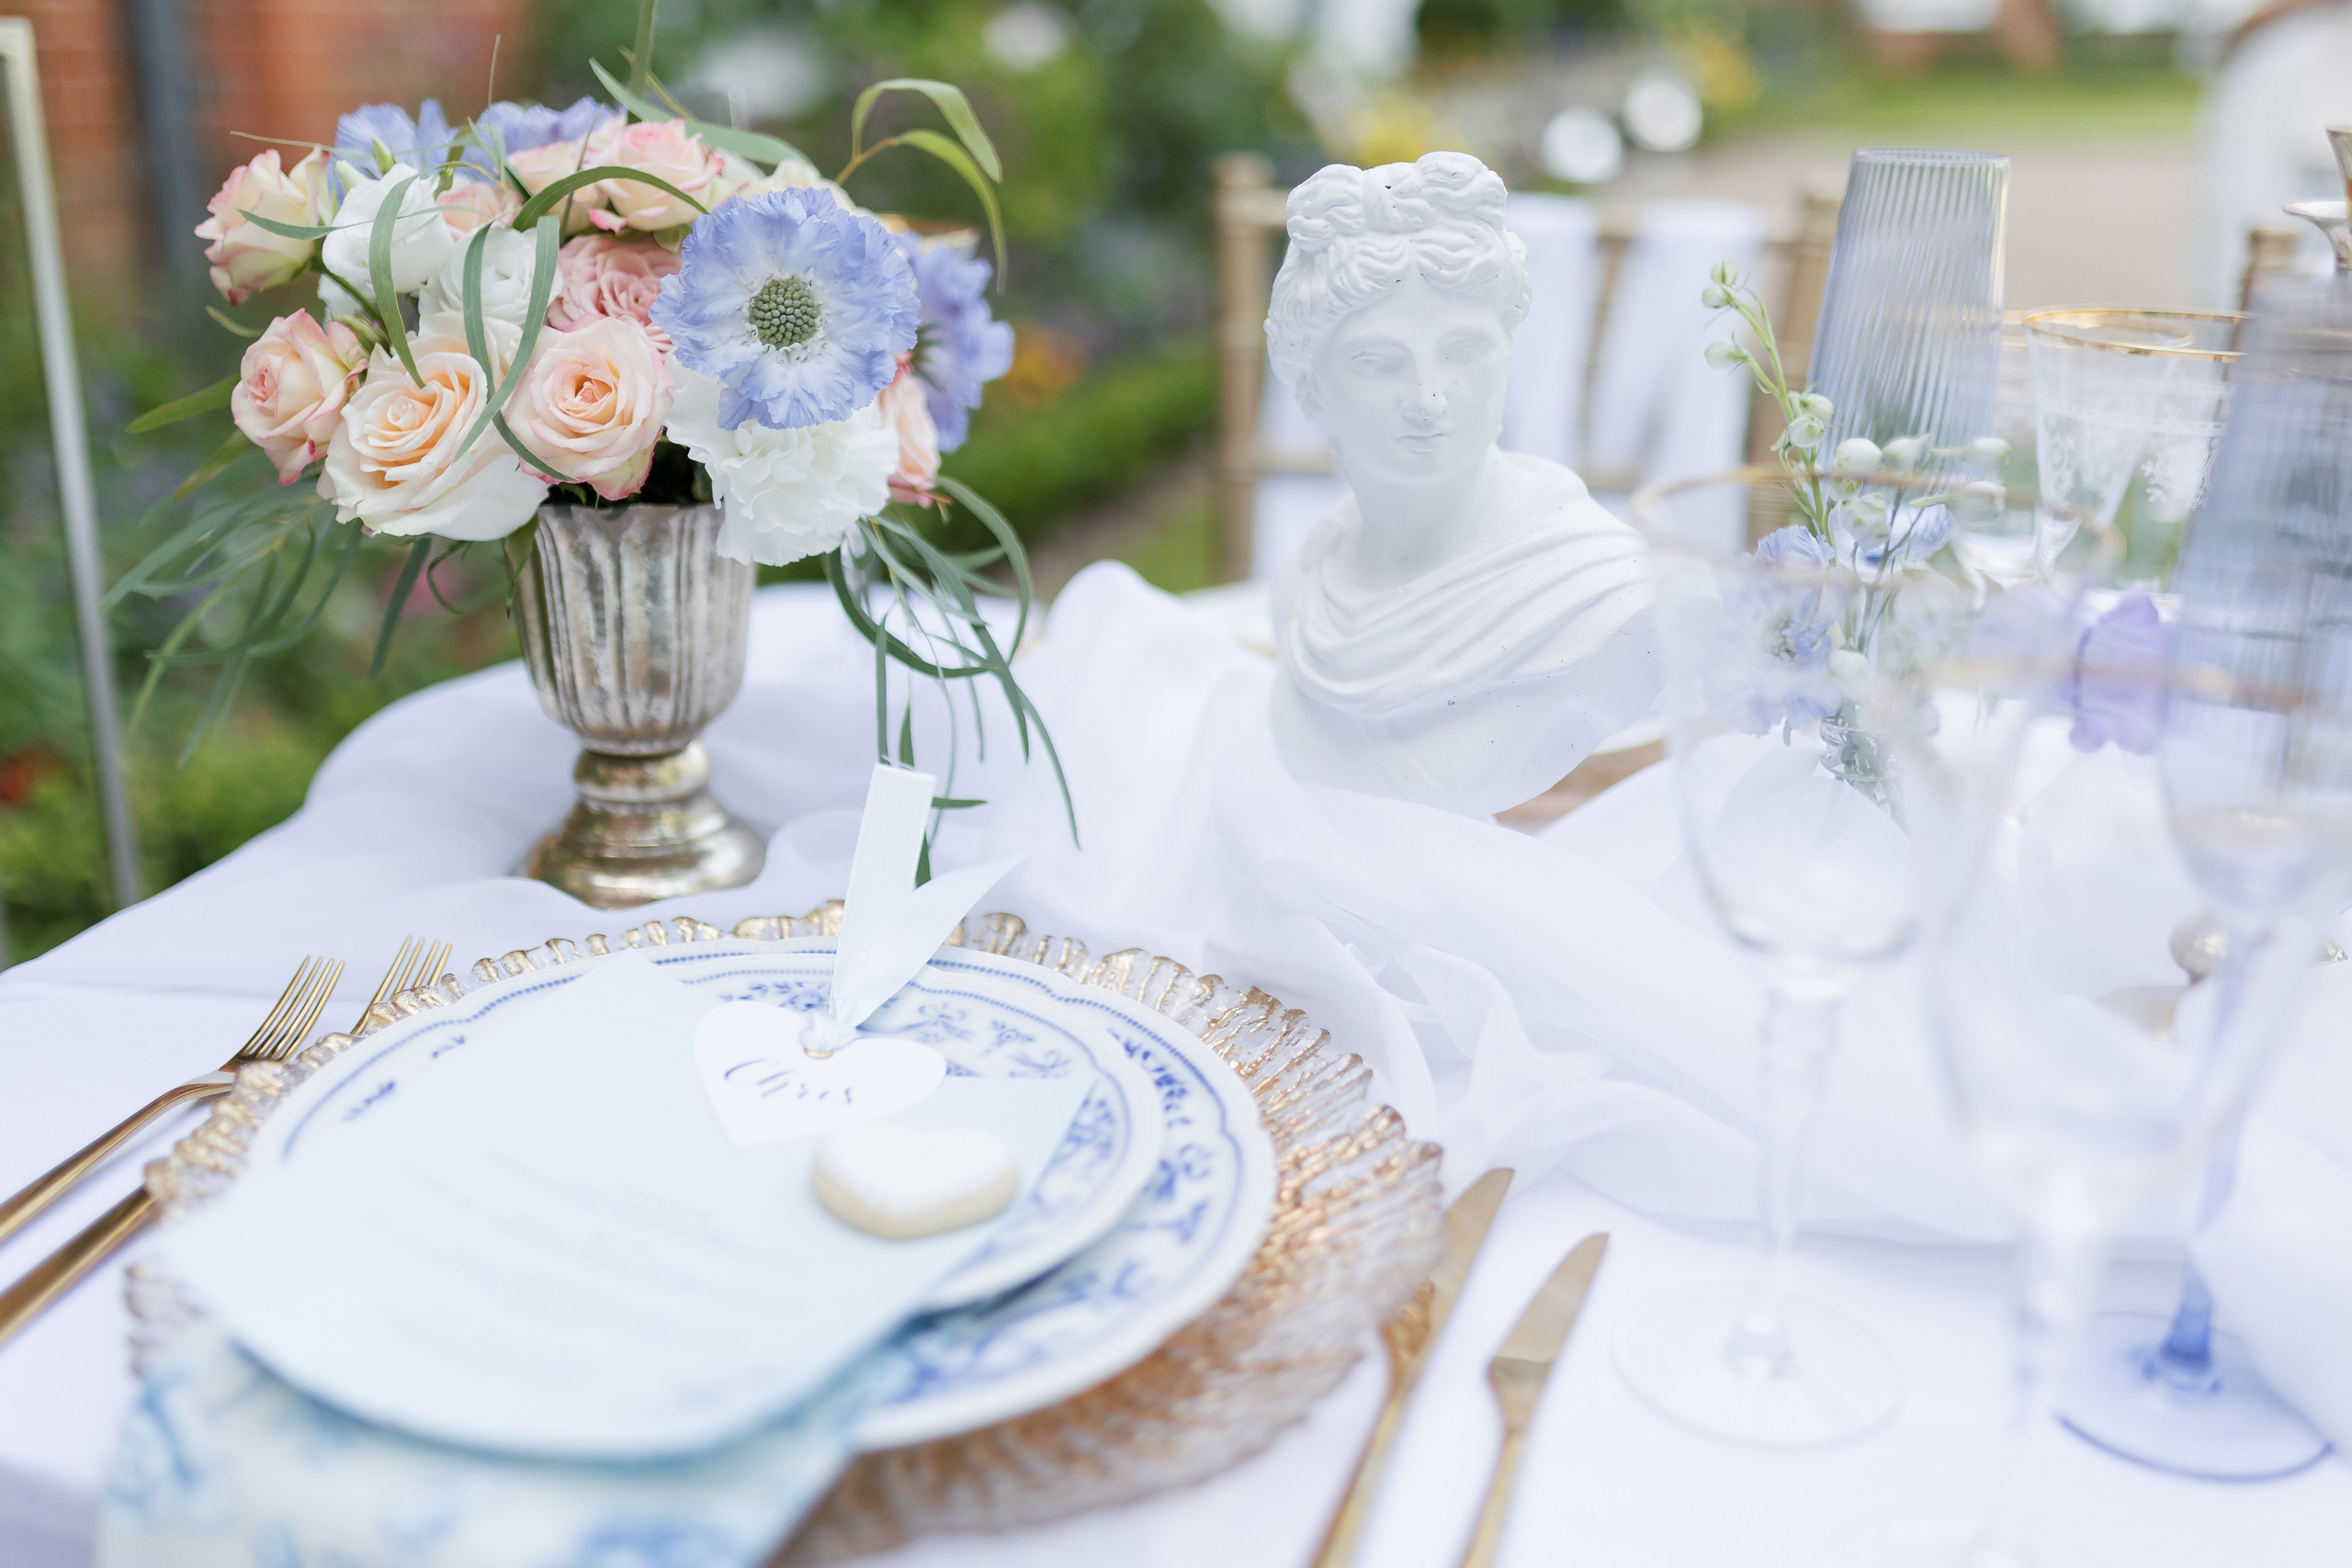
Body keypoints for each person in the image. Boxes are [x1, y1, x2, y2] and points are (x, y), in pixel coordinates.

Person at [1263, 151, 1660, 818]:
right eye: (1376, 361)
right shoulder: (1306, 589)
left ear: (1507, 355)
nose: (1428, 399)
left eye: (1463, 351)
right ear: (1309, 385)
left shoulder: (1609, 601)